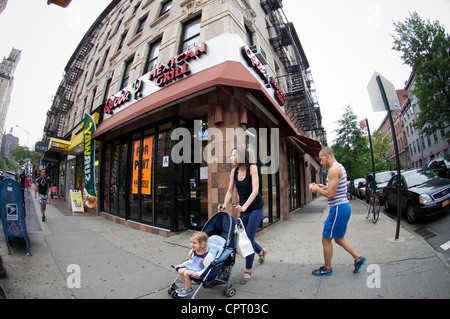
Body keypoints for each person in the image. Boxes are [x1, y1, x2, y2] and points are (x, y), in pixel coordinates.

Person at [309, 146, 366, 276]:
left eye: (321, 159)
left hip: (338, 208)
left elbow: (331, 195)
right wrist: (322, 186)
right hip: (342, 207)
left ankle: (327, 268)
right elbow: (333, 189)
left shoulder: (333, 170)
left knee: (326, 238)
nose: (321, 162)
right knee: (339, 238)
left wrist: (317, 190)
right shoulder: (339, 167)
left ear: (326, 156)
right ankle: (358, 258)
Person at [219, 147, 268, 284]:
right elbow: (229, 191)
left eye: (233, 155)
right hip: (244, 209)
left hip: (255, 208)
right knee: (243, 237)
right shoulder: (233, 172)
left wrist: (245, 206)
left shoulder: (252, 168)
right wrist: (224, 205)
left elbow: (256, 189)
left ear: (240, 157)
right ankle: (261, 251)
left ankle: (248, 270)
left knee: (248, 238)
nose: (230, 158)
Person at [174, 232, 213, 298]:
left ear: (202, 244)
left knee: (186, 272)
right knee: (180, 271)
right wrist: (181, 265)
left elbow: (207, 268)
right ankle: (186, 286)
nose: (192, 245)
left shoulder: (208, 255)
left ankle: (188, 289)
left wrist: (199, 273)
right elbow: (190, 260)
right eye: (191, 242)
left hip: (199, 270)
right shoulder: (193, 251)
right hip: (193, 266)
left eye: (194, 243)